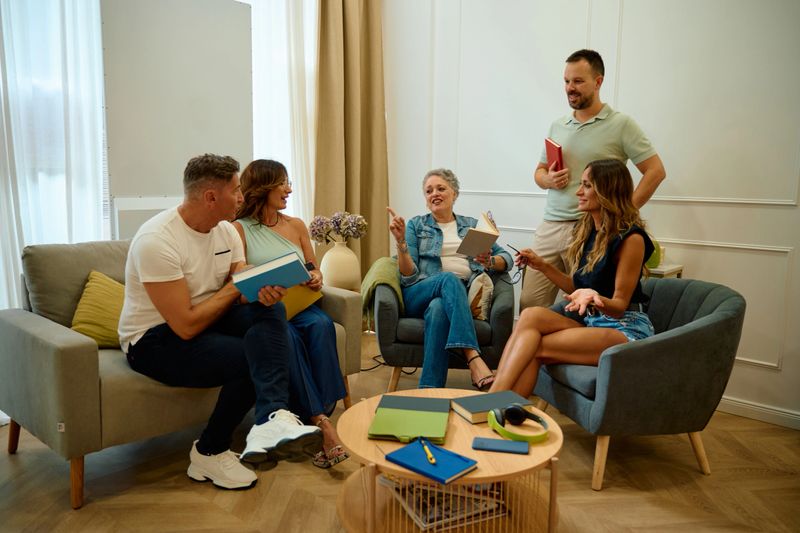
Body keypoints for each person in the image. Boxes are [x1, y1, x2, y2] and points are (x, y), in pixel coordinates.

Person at [118, 154, 320, 491]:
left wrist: (260, 291)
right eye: (236, 190)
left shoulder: (225, 231)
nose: (243, 198)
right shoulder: (157, 241)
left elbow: (239, 291)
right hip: (153, 339)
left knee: (271, 312)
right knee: (247, 357)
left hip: (207, 319)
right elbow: (185, 325)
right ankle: (209, 451)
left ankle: (272, 416)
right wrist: (237, 288)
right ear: (211, 197)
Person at [489, 159, 655, 397]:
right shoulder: (590, 230)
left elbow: (618, 307)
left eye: (586, 186)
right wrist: (542, 265)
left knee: (535, 348)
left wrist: (593, 296)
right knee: (531, 314)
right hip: (593, 322)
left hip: (624, 327)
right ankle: (495, 401)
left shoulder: (631, 239)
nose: (578, 192)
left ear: (606, 191)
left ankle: (492, 402)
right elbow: (578, 288)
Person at [519, 48, 666, 311]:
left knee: (584, 304)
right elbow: (539, 173)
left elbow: (655, 171)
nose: (569, 88)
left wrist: (623, 212)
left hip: (589, 229)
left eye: (578, 81)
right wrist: (548, 180)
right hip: (551, 225)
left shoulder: (622, 124)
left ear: (598, 82)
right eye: (566, 81)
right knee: (530, 303)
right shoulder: (557, 125)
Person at [232, 159, 349, 469]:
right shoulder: (238, 230)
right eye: (282, 183)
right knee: (289, 338)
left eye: (289, 182)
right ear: (263, 187)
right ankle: (320, 422)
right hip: (269, 310)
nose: (289, 189)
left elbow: (313, 267)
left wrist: (317, 277)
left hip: (303, 304)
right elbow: (237, 278)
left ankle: (320, 412)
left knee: (322, 326)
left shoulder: (296, 225)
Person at [387, 168, 513, 390]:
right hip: (419, 291)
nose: (434, 193)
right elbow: (408, 276)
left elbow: (507, 258)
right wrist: (400, 243)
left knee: (438, 309)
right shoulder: (416, 225)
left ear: (454, 193)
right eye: (428, 191)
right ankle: (472, 356)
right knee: (448, 279)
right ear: (426, 200)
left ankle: (429, 392)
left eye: (441, 188)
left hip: (456, 297)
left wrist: (490, 261)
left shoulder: (472, 224)